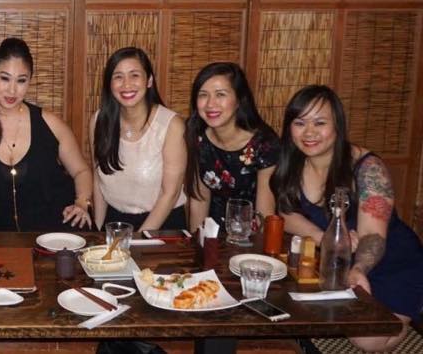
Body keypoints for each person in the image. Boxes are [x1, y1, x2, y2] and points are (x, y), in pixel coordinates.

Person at [271, 85, 423, 351]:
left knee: (369, 342)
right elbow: (287, 212)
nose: (309, 132)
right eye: (300, 123)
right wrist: (325, 238)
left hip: (390, 261)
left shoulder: (367, 167)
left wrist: (359, 268)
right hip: (335, 263)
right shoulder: (292, 161)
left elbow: (373, 236)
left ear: (337, 126)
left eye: (320, 123)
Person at [0, 38, 92, 231]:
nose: (12, 90)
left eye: (21, 80)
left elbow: (81, 171)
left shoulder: (50, 123)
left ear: (30, 80)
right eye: (5, 78)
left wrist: (82, 203)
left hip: (55, 234)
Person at [90, 47, 186, 231]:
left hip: (163, 224)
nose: (126, 84)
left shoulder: (171, 125)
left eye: (134, 75)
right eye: (118, 77)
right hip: (115, 223)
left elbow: (170, 193)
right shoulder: (99, 121)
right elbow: (98, 180)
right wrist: (99, 228)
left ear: (149, 80)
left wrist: (137, 240)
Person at [183, 62, 279, 231]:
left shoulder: (264, 144)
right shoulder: (197, 136)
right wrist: (197, 241)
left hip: (251, 236)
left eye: (220, 94)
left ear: (239, 100)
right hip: (213, 234)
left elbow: (265, 215)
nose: (210, 104)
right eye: (203, 95)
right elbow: (199, 198)